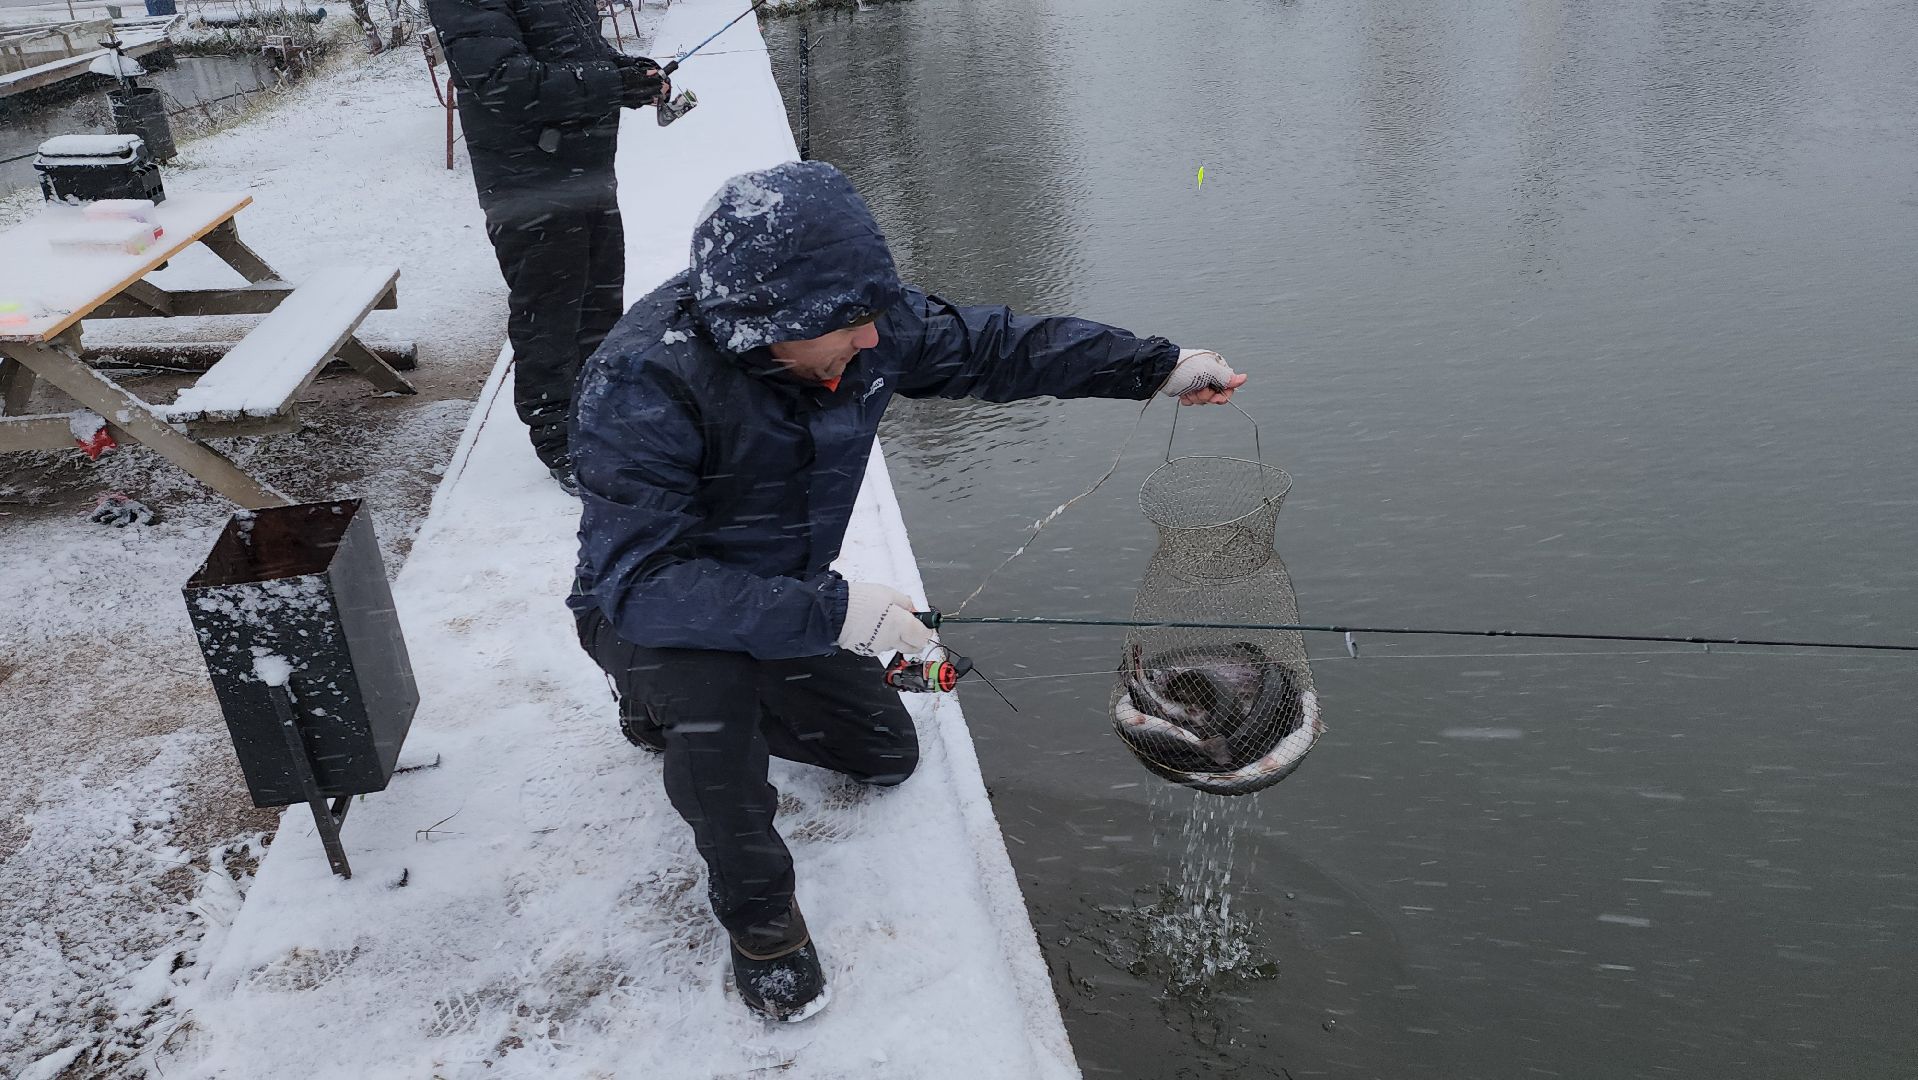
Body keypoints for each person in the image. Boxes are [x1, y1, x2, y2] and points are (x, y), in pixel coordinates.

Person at [568, 160, 1245, 1023]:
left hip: (777, 589)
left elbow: (1003, 347)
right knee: (711, 707)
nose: (870, 341)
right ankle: (761, 921)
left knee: (886, 755)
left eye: (873, 318)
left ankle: (685, 709)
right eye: (849, 326)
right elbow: (643, 583)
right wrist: (834, 612)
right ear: (771, 325)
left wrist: (1153, 367)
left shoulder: (864, 326)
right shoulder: (641, 383)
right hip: (651, 613)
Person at [424, 0, 671, 491]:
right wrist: (612, 83)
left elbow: (577, 49)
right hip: (526, 184)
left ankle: (605, 411)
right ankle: (562, 442)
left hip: (586, 169)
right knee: (549, 314)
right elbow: (505, 81)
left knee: (600, 300)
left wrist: (629, 73)